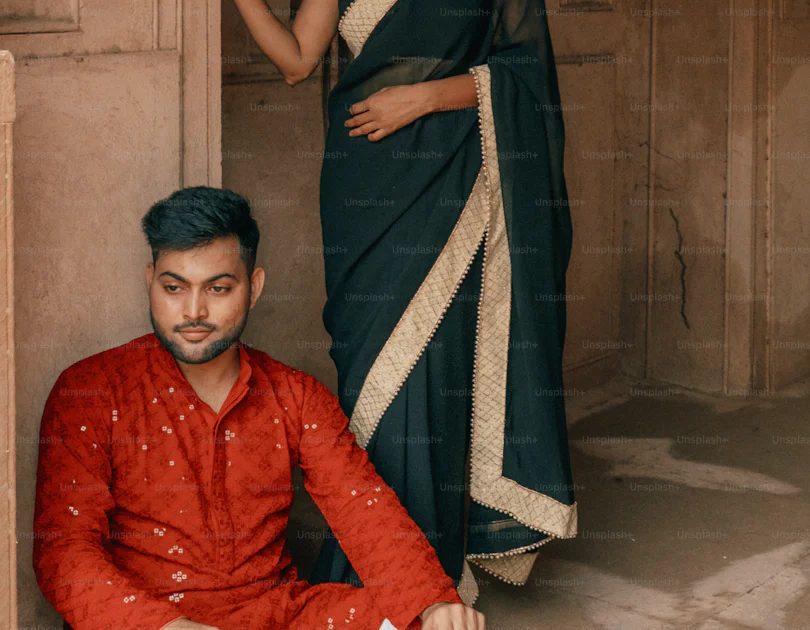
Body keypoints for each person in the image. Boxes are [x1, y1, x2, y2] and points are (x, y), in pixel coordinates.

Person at [234, 0, 577, 604]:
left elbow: (526, 75)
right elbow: (296, 60)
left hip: (450, 174)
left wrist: (421, 98)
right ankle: (379, 563)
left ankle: (423, 572)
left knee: (435, 363)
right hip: (365, 180)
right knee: (370, 375)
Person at [32, 187, 485, 630]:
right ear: (149, 280)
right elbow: (65, 554)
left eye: (218, 288)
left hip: (275, 614)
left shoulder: (295, 396)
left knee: (418, 621)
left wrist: (432, 601)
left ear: (254, 288)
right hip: (145, 619)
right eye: (174, 287)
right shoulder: (90, 391)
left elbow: (362, 507)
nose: (193, 311)